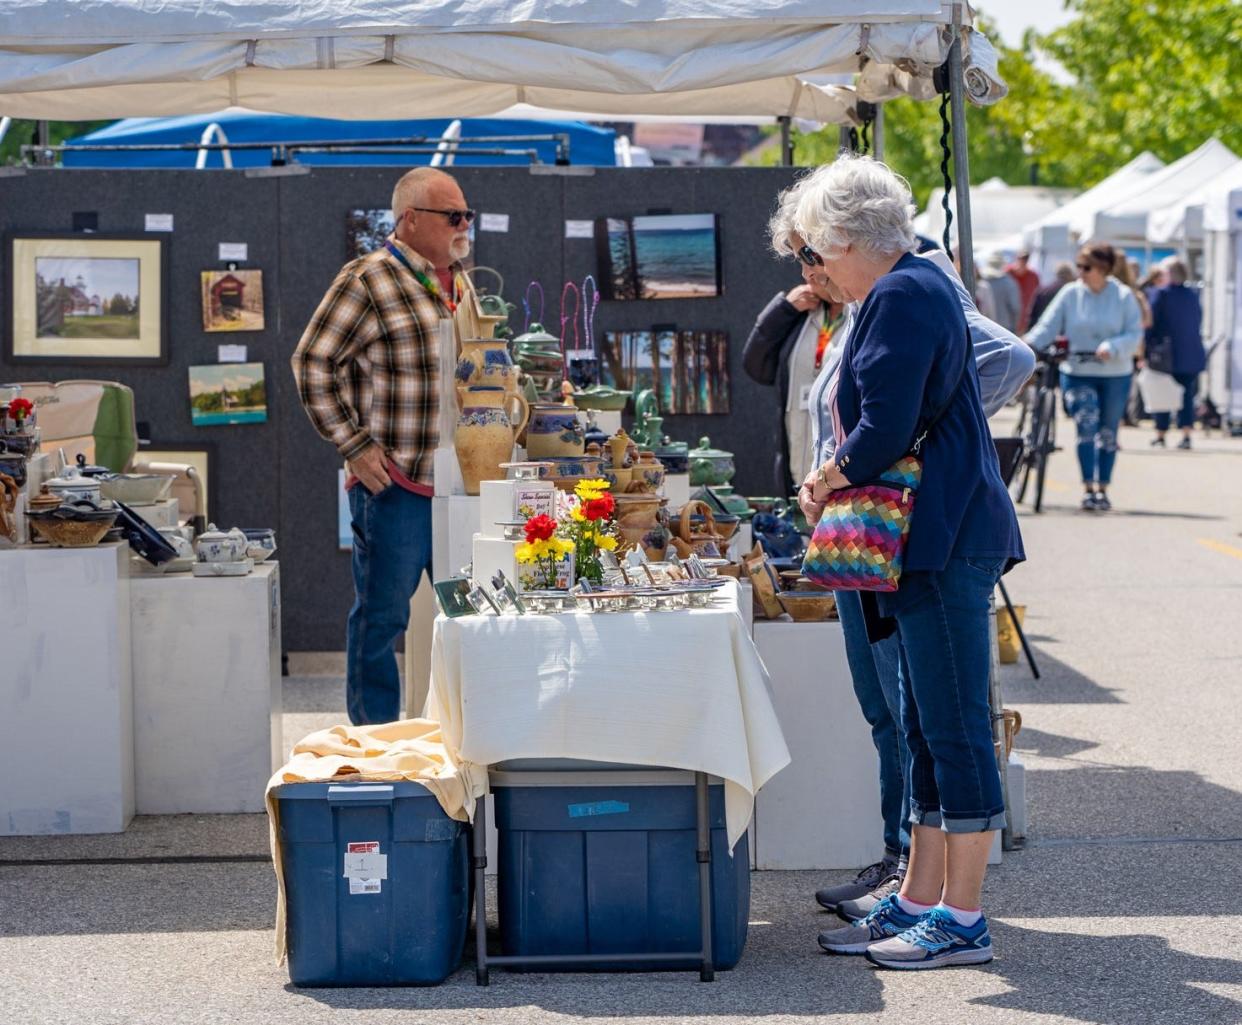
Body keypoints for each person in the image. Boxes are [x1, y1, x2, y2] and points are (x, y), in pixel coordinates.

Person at [766, 174, 1031, 927]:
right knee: (926, 725)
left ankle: (963, 916)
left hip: (941, 536)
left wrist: (825, 477)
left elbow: (884, 426)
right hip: (928, 538)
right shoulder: (913, 287)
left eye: (817, 251)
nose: (816, 268)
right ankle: (921, 897)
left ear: (847, 239)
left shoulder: (902, 293)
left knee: (951, 725)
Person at [292, 167, 474, 724]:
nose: (464, 226)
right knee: (381, 620)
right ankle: (373, 750)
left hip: (458, 487)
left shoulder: (463, 283)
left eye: (468, 215)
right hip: (396, 486)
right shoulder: (368, 278)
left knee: (469, 619)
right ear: (411, 220)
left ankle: (467, 743)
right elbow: (313, 362)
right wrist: (355, 446)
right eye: (453, 217)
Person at [1025, 243, 1142, 512]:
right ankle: (1088, 487)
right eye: (1078, 266)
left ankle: (1104, 487)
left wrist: (1112, 347)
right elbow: (1047, 326)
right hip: (1077, 371)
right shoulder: (1070, 294)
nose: (1080, 272)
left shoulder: (1123, 297)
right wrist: (1026, 345)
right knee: (1087, 426)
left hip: (1115, 372)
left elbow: (1134, 334)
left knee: (1108, 432)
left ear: (1103, 269)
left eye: (1086, 267)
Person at [742, 275, 847, 496]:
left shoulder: (859, 315)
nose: (807, 274)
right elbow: (755, 365)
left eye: (813, 262)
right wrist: (783, 309)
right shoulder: (803, 314)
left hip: (840, 476)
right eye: (803, 263)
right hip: (796, 472)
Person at [1146, 258, 1205, 449]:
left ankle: (1161, 433)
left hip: (1166, 353)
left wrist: (1145, 350)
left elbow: (1150, 324)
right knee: (1186, 395)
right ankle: (1186, 434)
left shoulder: (1161, 294)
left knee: (1162, 392)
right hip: (1191, 352)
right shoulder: (1192, 295)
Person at [979, 251, 1021, 333]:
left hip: (985, 327)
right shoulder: (1009, 283)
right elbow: (1015, 307)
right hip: (1005, 329)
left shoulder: (981, 282)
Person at [1028, 261, 1074, 327]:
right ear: (1069, 275)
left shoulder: (1043, 290)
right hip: (1060, 332)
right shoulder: (1070, 293)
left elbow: (1032, 315)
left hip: (1041, 329)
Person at [1005, 250, 1041, 332]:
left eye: (1025, 259)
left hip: (1025, 320)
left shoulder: (1033, 276)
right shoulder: (1008, 273)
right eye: (1021, 258)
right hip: (1008, 320)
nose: (1023, 261)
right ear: (1016, 259)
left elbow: (1038, 294)